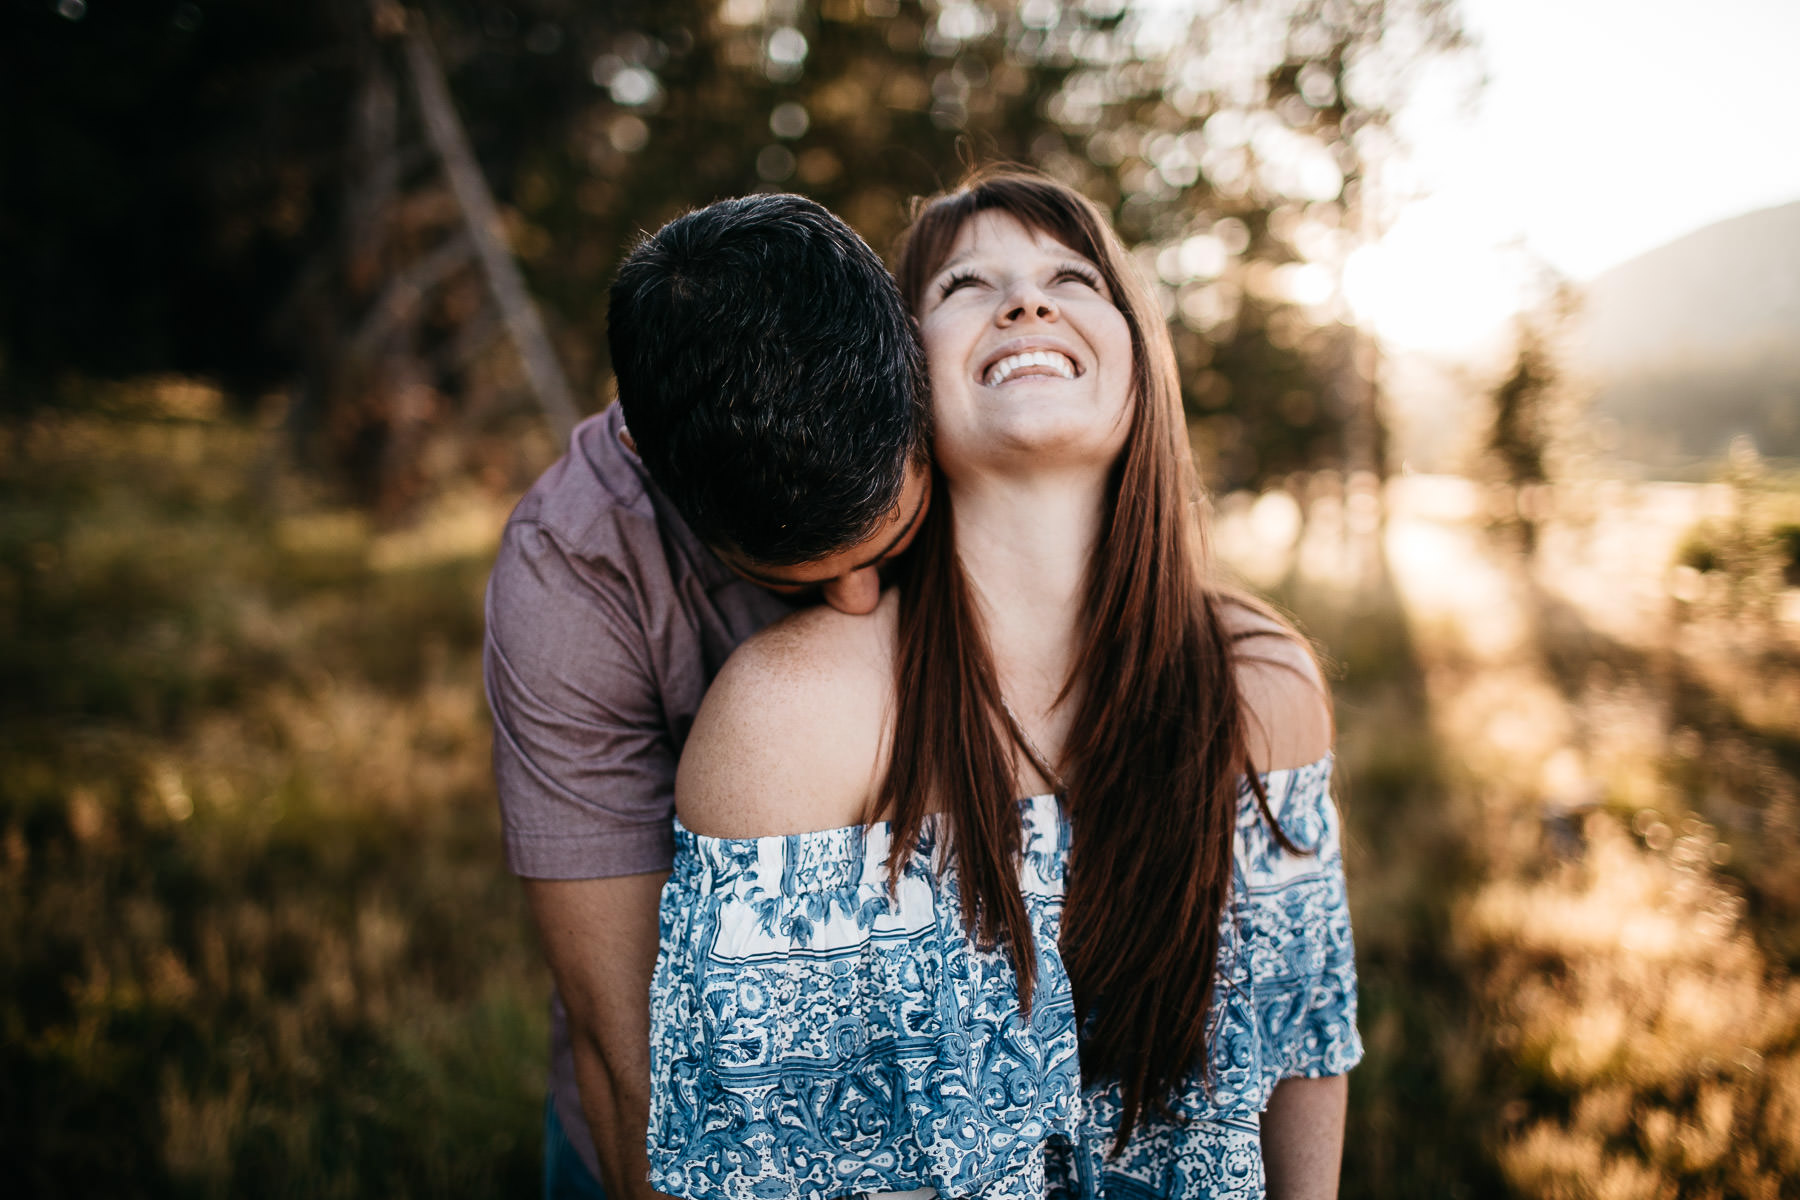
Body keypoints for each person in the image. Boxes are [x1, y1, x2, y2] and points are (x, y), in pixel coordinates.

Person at [650, 170, 1362, 1200]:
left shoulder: (1259, 681)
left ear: (1138, 361)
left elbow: (1303, 1049)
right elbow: (755, 1165)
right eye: (965, 287)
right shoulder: (795, 717)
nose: (1027, 303)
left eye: (1073, 278)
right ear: (894, 377)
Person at [483, 192, 932, 1200]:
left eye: (895, 542)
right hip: (669, 1133)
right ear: (650, 459)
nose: (861, 605)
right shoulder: (569, 575)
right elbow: (619, 1035)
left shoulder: (950, 400)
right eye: (796, 580)